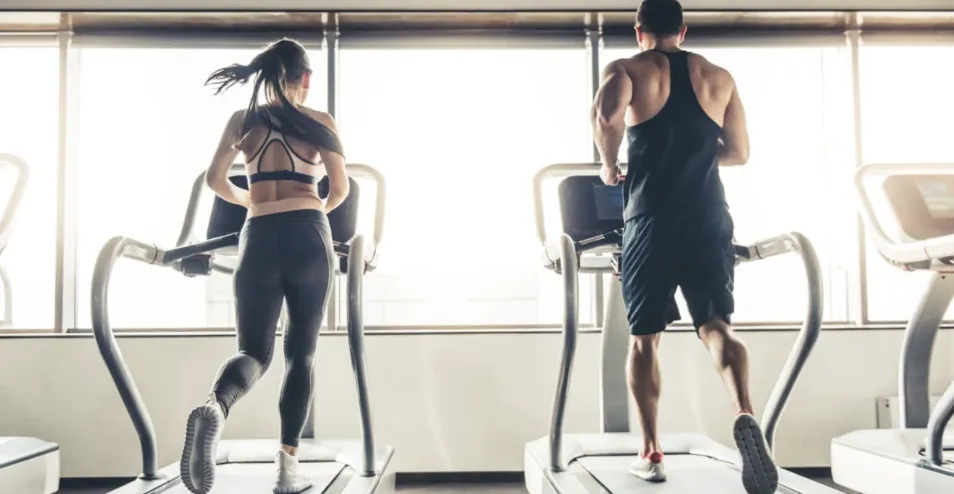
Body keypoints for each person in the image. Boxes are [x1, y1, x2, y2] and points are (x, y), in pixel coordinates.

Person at [590, 1, 778, 494]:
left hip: (651, 218)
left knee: (644, 339)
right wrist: (694, 147)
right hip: (710, 216)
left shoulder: (626, 68)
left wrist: (610, 166)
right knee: (717, 325)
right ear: (683, 29)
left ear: (639, 32)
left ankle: (651, 451)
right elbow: (738, 152)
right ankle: (744, 411)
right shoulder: (719, 76)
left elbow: (608, 117)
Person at [178, 38, 349, 494]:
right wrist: (314, 213)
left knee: (254, 351)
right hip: (309, 231)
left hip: (257, 235)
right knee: (301, 353)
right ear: (306, 78)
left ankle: (216, 406)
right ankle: (287, 472)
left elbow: (216, 180)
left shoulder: (243, 120)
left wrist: (250, 199)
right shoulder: (318, 121)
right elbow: (340, 189)